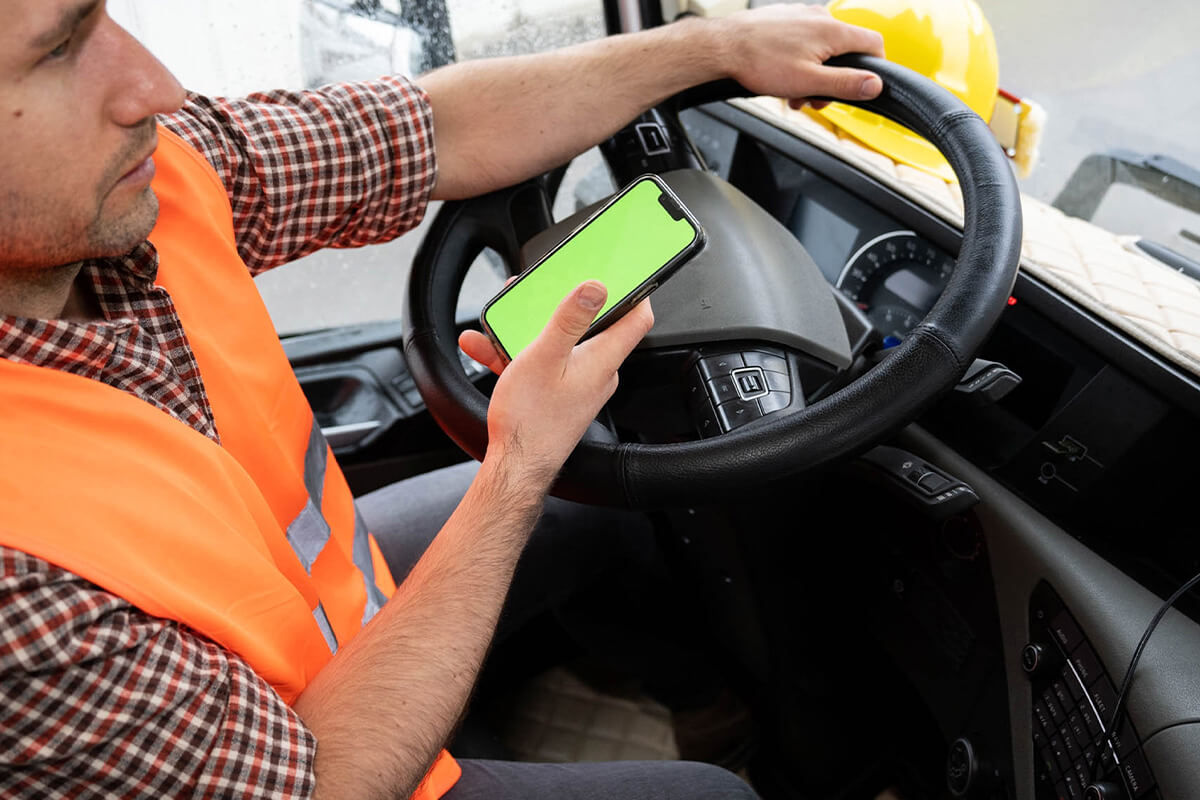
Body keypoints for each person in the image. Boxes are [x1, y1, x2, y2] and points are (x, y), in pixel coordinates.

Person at [0, 1, 884, 797]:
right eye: (58, 51)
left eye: (103, 15)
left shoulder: (157, 178)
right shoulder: (14, 597)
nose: (153, 86)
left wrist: (712, 45)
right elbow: (326, 782)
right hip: (318, 758)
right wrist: (517, 463)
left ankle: (713, 711)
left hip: (308, 614)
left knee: (598, 505)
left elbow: (433, 129)